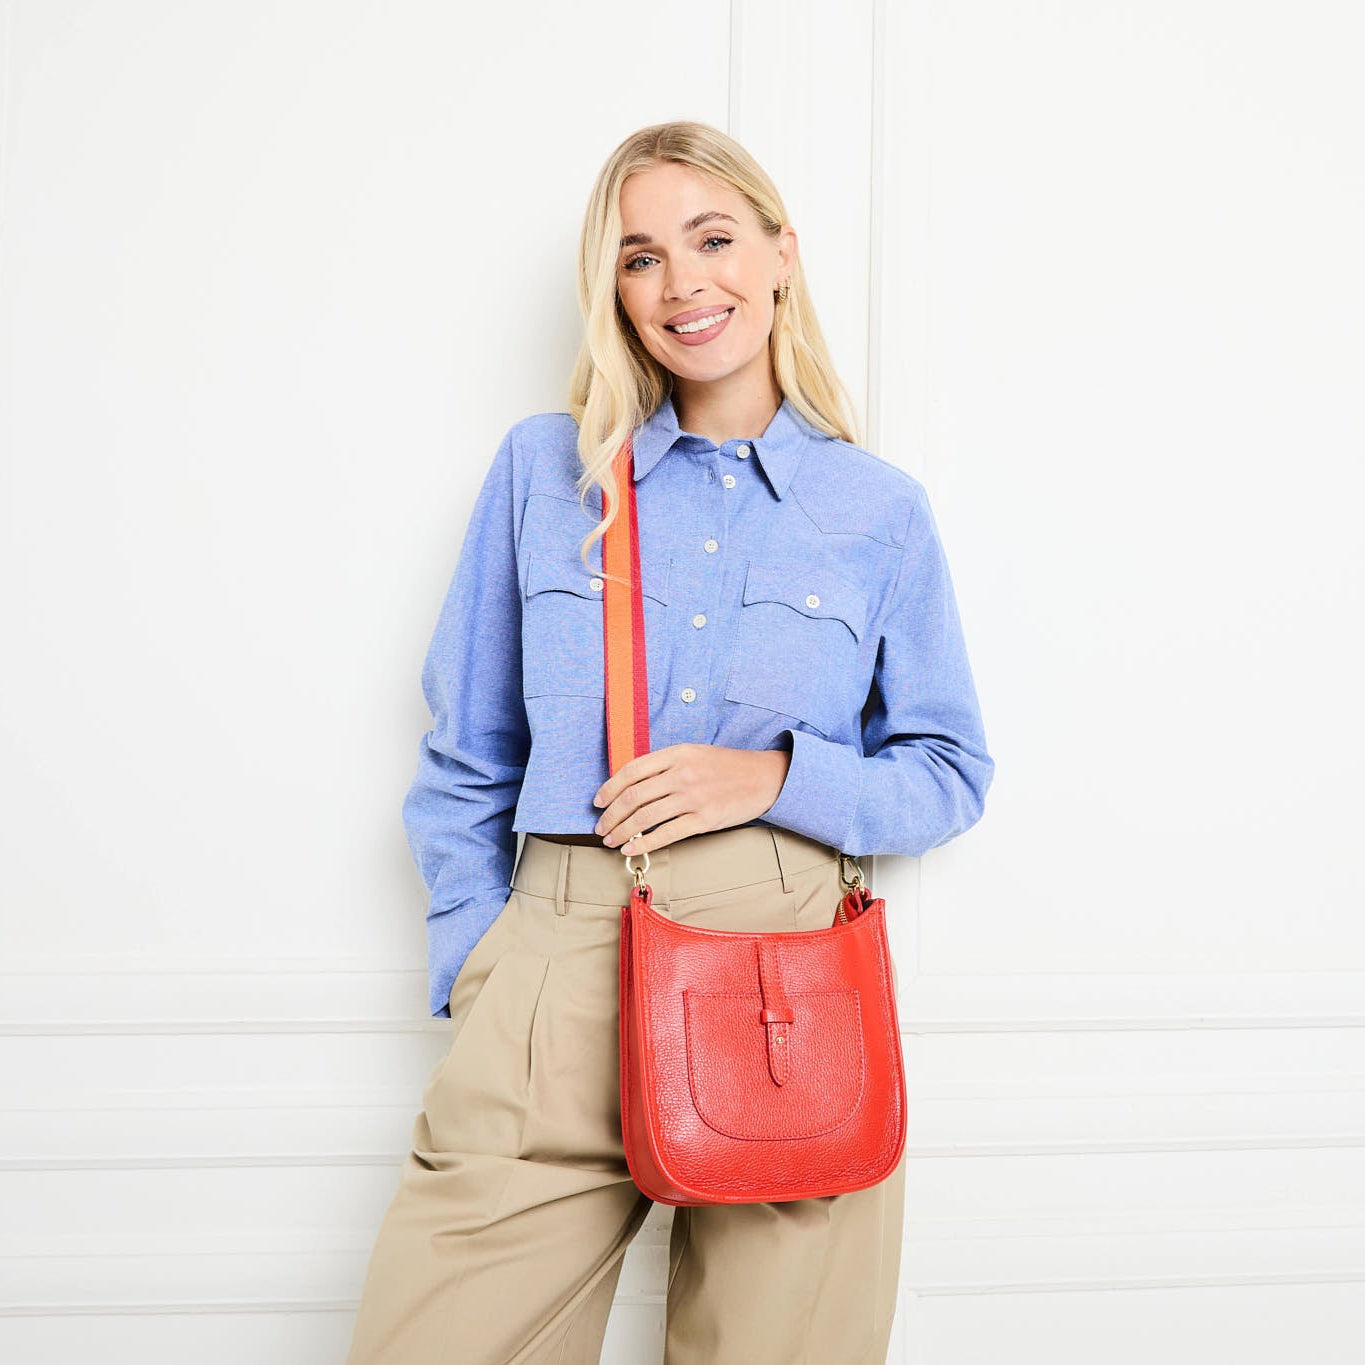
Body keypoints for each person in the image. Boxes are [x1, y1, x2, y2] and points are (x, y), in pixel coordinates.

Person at [345, 119, 995, 1365]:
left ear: (782, 253)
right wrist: (484, 967)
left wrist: (777, 778)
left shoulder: (876, 510)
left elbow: (949, 769)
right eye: (641, 257)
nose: (682, 282)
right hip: (557, 962)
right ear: (615, 290)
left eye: (712, 239)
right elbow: (470, 747)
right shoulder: (547, 471)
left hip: (785, 982)